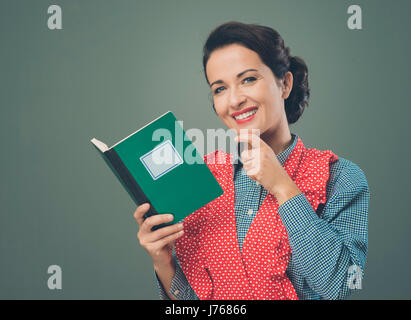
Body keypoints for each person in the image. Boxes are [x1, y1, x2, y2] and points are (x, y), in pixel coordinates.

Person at [133, 21, 370, 300]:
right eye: (220, 89)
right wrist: (163, 261)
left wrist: (283, 188)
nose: (234, 100)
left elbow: (341, 285)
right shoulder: (200, 177)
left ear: (285, 84)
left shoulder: (340, 178)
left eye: (248, 79)